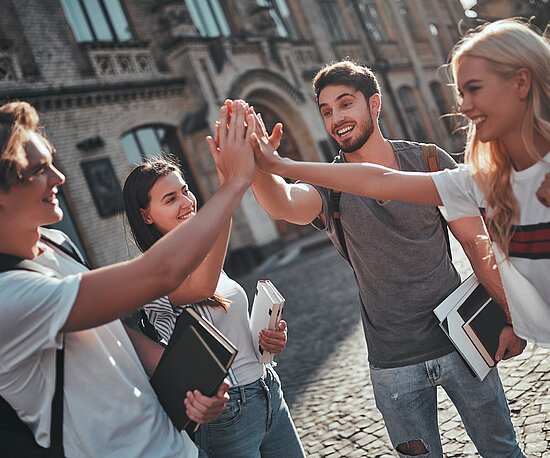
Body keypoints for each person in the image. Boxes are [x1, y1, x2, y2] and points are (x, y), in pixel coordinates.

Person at [233, 56, 526, 456]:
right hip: (394, 364)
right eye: (326, 111)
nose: (336, 117)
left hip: (464, 340)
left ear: (374, 104)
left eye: (345, 103)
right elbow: (283, 204)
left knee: (503, 451)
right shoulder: (329, 187)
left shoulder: (427, 161)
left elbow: (477, 246)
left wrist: (510, 318)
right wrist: (257, 163)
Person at [250, 19, 550, 350]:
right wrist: (273, 166)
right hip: (394, 353)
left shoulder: (440, 164)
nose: (463, 107)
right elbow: (378, 181)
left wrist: (511, 317)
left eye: (474, 89)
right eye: (461, 94)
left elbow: (475, 244)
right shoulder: (479, 180)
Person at [0, 100, 257, 457]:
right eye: (39, 170)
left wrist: (191, 385)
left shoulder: (55, 241)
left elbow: (111, 332)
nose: (58, 178)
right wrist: (233, 183)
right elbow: (160, 273)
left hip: (173, 444)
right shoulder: (8, 296)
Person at [122, 100, 305, 458]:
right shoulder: (154, 273)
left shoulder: (205, 256)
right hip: (226, 416)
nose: (187, 202)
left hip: (269, 391)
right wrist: (230, 184)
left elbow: (230, 332)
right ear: (146, 215)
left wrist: (269, 341)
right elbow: (201, 290)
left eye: (186, 191)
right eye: (170, 199)